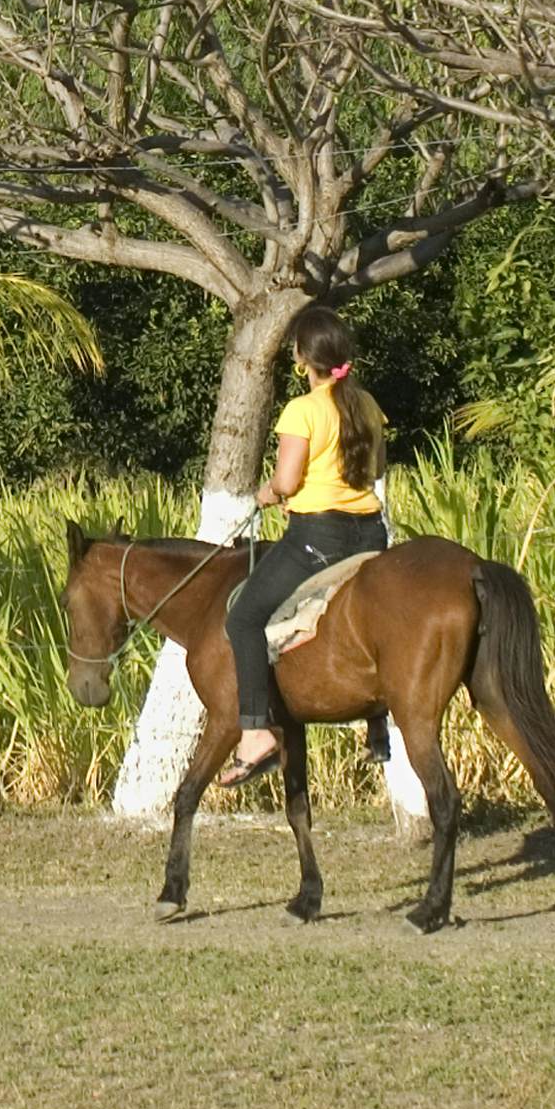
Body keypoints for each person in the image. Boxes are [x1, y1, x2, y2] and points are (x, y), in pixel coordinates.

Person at [218, 312, 391, 784]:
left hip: (318, 538)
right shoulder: (369, 404)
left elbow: (288, 479)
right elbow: (375, 471)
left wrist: (268, 494)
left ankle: (255, 733)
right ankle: (377, 723)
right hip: (372, 534)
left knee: (244, 617)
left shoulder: (302, 410)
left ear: (301, 357)